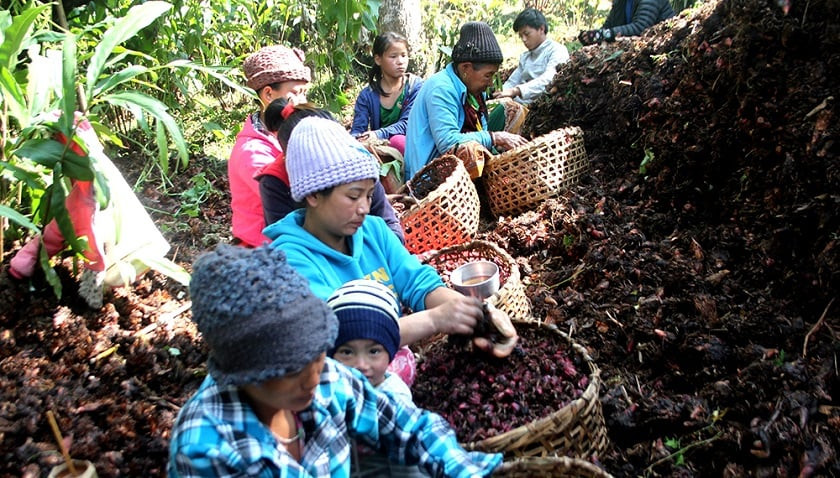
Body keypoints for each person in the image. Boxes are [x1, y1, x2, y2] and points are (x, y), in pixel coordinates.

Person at [168, 245, 503, 477]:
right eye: (291, 372)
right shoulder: (207, 447)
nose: (314, 376)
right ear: (244, 375)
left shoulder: (326, 377)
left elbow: (402, 424)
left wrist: (462, 468)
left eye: (317, 355)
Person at [264, 116, 519, 361]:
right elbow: (339, 337)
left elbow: (417, 281)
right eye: (353, 197)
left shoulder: (374, 232)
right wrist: (434, 320)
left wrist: (475, 315)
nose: (364, 207)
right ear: (313, 195)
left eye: (368, 195)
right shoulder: (290, 260)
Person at [257, 99, 405, 244]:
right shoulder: (274, 181)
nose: (364, 208)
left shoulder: (359, 164)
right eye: (353, 196)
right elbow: (287, 246)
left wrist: (388, 252)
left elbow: (389, 224)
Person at [404, 22, 528, 180]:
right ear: (466, 68)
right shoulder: (441, 88)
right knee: (471, 150)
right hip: (430, 175)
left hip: (456, 165)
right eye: (488, 75)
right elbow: (448, 143)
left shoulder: (474, 89)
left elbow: (480, 130)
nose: (491, 83)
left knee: (513, 109)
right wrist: (496, 137)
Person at [327, 279, 426, 477]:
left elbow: (409, 463)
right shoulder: (330, 389)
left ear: (390, 353)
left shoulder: (393, 397)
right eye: (347, 352)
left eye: (373, 351)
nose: (361, 365)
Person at [228, 45, 311, 247]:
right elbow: (295, 200)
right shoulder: (252, 153)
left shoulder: (287, 132)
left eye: (305, 93)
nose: (303, 101)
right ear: (268, 94)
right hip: (265, 247)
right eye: (295, 93)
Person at [350, 32, 423, 156]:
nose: (400, 62)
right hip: (380, 149)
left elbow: (407, 124)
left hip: (412, 147)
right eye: (393, 56)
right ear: (378, 59)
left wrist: (378, 134)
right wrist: (357, 139)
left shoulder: (415, 87)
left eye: (404, 55)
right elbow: (358, 129)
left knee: (397, 141)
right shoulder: (367, 95)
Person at [492, 8, 569, 106]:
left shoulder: (557, 50)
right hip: (516, 103)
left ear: (541, 29)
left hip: (538, 107)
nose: (524, 39)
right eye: (521, 36)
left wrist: (516, 91)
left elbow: (550, 79)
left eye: (527, 34)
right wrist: (501, 93)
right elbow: (512, 81)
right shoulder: (525, 57)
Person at [578, 0, 675, 45]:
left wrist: (603, 34)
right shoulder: (621, 2)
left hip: (660, 49)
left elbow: (641, 28)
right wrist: (591, 37)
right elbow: (608, 27)